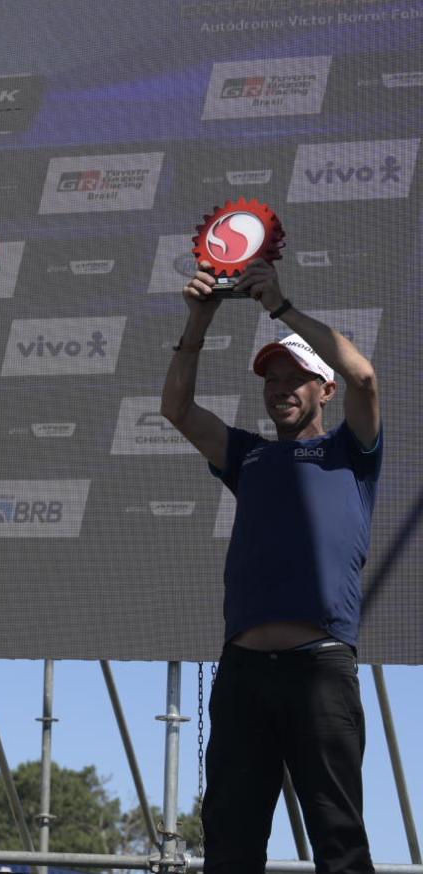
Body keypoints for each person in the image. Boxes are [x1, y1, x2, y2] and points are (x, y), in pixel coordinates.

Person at [161, 257, 380, 874]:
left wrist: (280, 309)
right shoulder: (248, 456)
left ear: (325, 390)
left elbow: (364, 376)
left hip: (320, 669)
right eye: (271, 379)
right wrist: (198, 320)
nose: (281, 387)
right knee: (230, 847)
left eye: (296, 378)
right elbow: (177, 409)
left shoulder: (351, 452)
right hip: (244, 674)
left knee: (340, 846)